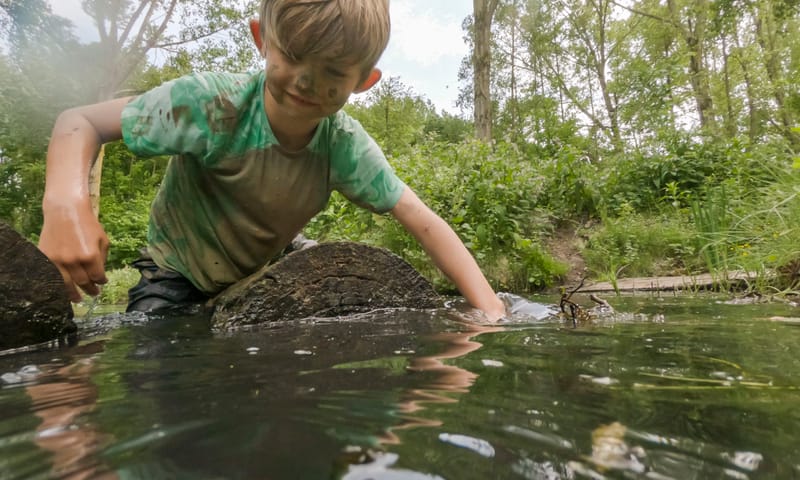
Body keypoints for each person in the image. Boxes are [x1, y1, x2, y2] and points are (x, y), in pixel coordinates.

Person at [38, 0, 507, 321]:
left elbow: (422, 220)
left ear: (363, 81)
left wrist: (491, 313)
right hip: (178, 269)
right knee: (160, 364)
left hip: (269, 264)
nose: (306, 81)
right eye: (296, 55)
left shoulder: (343, 144)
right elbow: (80, 122)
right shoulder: (210, 105)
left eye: (332, 73)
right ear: (263, 39)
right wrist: (65, 205)